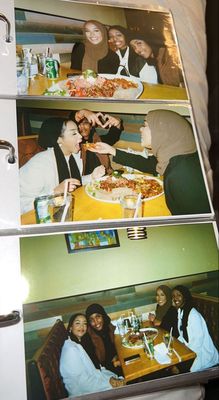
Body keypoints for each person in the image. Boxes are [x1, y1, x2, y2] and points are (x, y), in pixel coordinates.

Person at [87, 109, 211, 215]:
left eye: (145, 125)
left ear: (162, 133)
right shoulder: (175, 157)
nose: (141, 129)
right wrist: (112, 151)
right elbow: (150, 164)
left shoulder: (181, 175)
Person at [19, 117, 105, 214]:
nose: (80, 137)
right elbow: (21, 205)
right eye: (74, 133)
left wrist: (91, 177)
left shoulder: (75, 156)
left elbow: (72, 183)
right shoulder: (39, 164)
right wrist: (55, 192)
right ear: (58, 139)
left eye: (78, 132)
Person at [59, 313, 125, 398]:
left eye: (85, 323)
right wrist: (108, 382)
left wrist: (111, 379)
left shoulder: (79, 343)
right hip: (82, 394)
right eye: (78, 323)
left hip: (92, 384)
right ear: (71, 327)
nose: (82, 327)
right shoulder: (70, 350)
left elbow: (94, 370)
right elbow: (81, 383)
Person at [161, 285, 219, 372]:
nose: (175, 298)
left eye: (178, 295)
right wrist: (175, 345)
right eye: (173, 296)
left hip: (203, 355)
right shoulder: (181, 312)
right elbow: (182, 336)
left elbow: (197, 344)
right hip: (190, 350)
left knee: (175, 369)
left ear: (185, 296)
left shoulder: (193, 315)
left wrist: (182, 363)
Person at [71, 110, 122, 175]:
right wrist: (83, 112)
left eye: (85, 123)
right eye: (78, 124)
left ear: (91, 126)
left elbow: (113, 136)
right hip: (85, 181)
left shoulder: (99, 140)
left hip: (105, 178)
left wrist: (117, 122)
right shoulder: (74, 145)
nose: (82, 127)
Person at [85, 303, 122, 375]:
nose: (96, 322)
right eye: (91, 320)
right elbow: (95, 365)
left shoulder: (108, 326)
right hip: (106, 371)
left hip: (118, 359)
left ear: (103, 316)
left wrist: (117, 356)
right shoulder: (88, 338)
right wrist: (115, 364)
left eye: (98, 317)